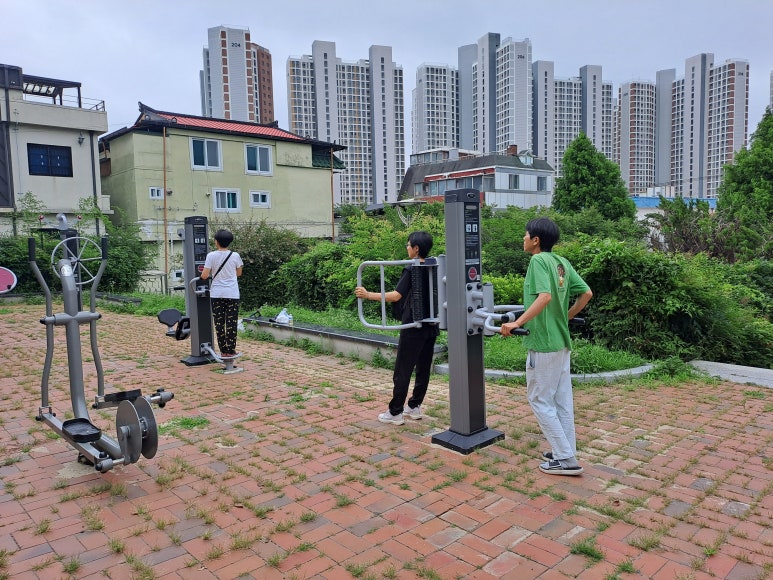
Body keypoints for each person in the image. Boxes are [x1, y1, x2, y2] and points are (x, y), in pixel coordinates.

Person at [500, 217, 592, 476]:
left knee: (539, 399)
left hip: (543, 343)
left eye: (525, 235)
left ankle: (565, 460)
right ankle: (566, 450)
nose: (523, 239)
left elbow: (545, 297)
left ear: (536, 240)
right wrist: (567, 317)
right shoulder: (561, 263)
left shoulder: (538, 261)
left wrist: (516, 322)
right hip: (562, 342)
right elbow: (586, 293)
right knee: (561, 401)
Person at [355, 231, 439, 425]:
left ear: (416, 248)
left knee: (403, 370)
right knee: (423, 369)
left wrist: (368, 295)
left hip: (413, 325)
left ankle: (395, 412)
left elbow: (396, 296)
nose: (407, 248)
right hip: (431, 323)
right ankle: (414, 406)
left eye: (408, 245)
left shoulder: (412, 268)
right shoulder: (435, 266)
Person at [200, 229, 244, 358]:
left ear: (216, 242)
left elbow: (204, 275)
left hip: (217, 294)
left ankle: (223, 351)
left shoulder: (211, 256)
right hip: (232, 293)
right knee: (231, 323)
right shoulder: (235, 255)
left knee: (219, 324)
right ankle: (231, 350)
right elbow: (239, 273)